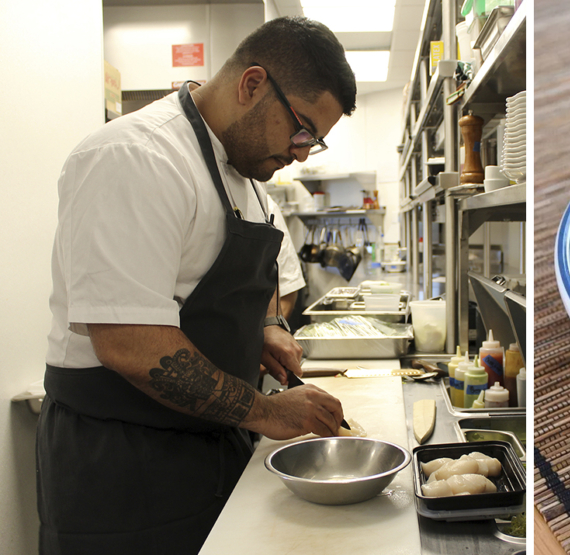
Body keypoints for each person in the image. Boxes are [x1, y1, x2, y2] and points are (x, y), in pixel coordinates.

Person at [38, 16, 357, 555]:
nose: (302, 152)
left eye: (315, 143)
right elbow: (131, 343)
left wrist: (265, 328)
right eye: (302, 131)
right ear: (252, 84)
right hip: (124, 459)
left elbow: (221, 291)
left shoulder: (248, 180)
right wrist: (270, 411)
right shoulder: (136, 157)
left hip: (214, 439)